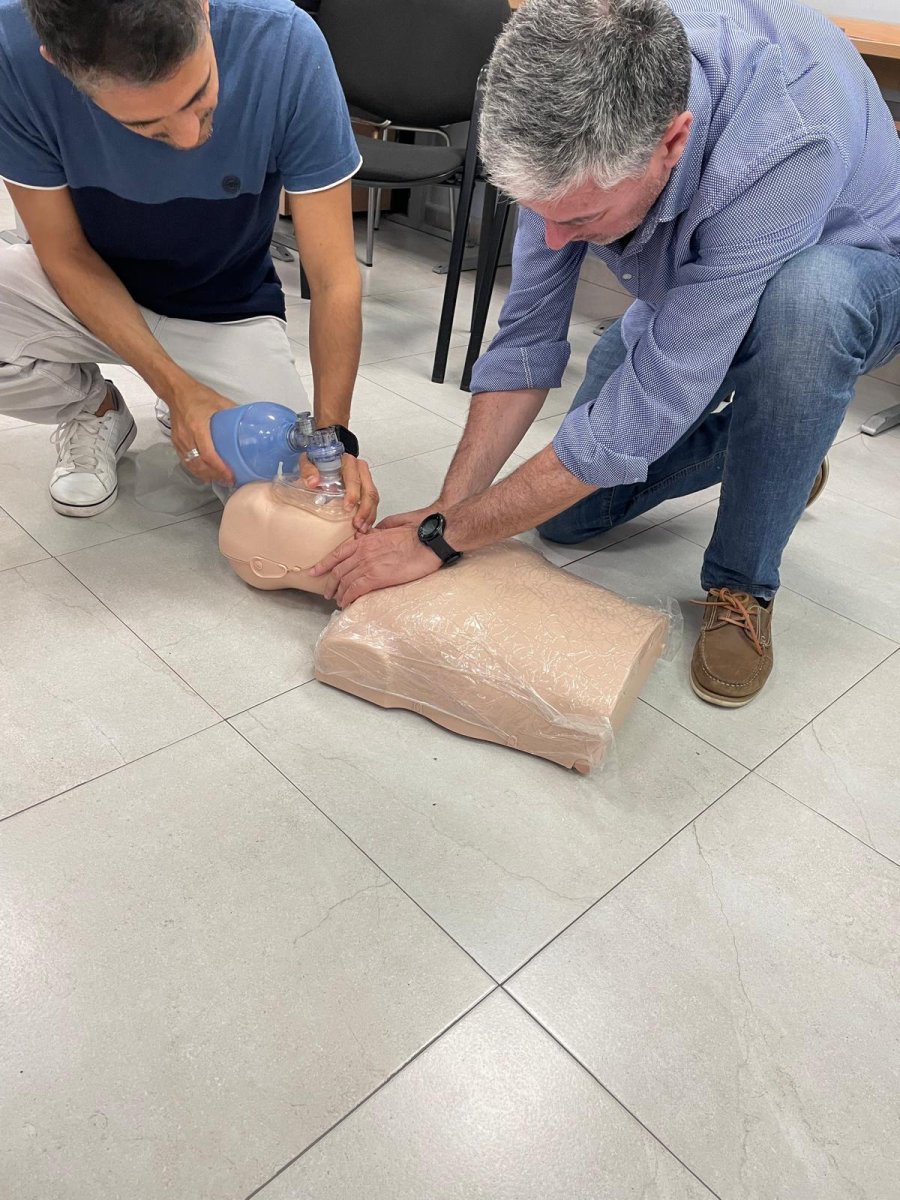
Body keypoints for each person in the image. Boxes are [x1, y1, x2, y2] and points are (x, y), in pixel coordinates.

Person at [315, 0, 900, 707]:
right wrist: (449, 514)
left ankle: (743, 580)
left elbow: (650, 404)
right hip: (702, 270)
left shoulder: (785, 138)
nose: (554, 240)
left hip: (856, 268)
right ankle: (781, 456)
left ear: (672, 141)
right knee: (567, 513)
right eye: (540, 213)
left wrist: (445, 540)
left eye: (581, 219)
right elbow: (527, 339)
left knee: (806, 306)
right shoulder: (577, 115)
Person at [0, 0, 378, 526]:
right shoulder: (11, 52)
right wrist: (178, 390)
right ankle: (95, 409)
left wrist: (332, 439)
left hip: (223, 310)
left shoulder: (284, 42)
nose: (186, 140)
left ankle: (199, 394)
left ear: (201, 7)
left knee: (301, 519)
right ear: (58, 63)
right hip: (84, 293)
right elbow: (63, 253)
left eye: (200, 99)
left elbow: (334, 277)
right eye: (148, 125)